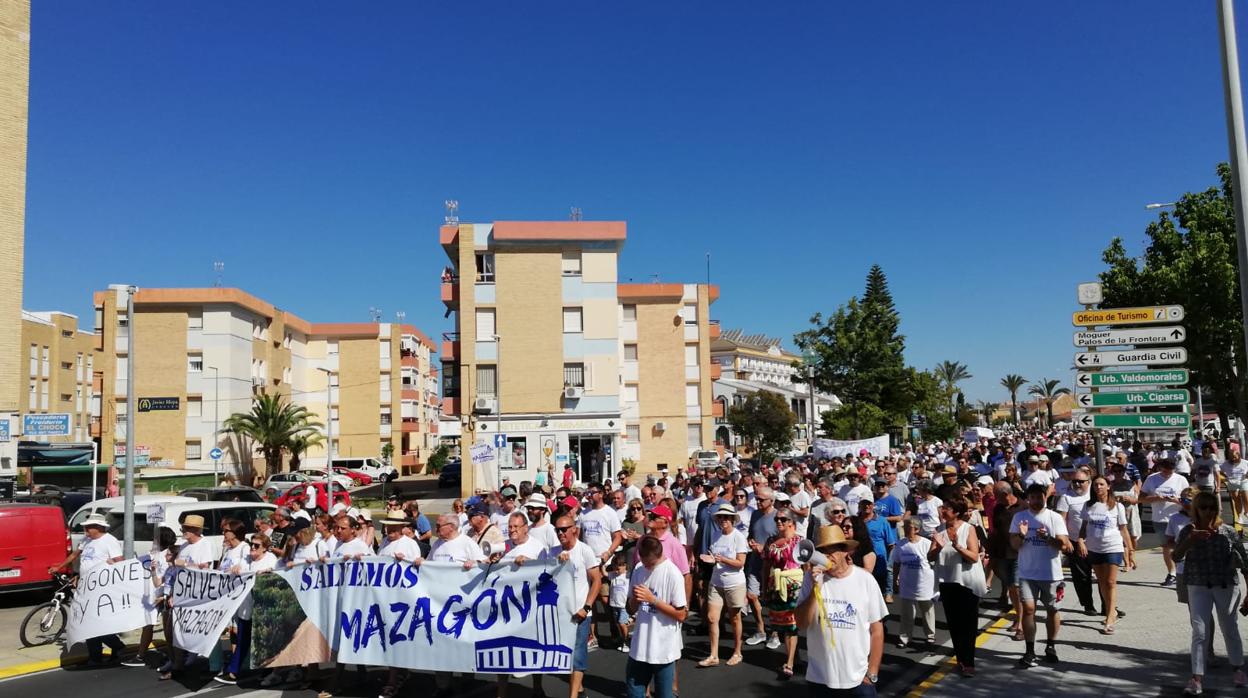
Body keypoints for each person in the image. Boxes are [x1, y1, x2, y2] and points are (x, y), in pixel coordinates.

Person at [795, 520, 886, 696]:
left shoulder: (864, 580)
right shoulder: (810, 579)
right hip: (820, 679)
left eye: (833, 549)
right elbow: (801, 624)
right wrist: (816, 589)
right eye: (822, 551)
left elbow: (877, 630)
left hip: (858, 679)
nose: (827, 555)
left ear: (846, 551)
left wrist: (872, 672)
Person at [1173, 491, 1248, 695]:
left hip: (1225, 585)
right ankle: (1196, 678)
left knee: (1229, 628)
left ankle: (1238, 669)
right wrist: (1191, 540)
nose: (1208, 511)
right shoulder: (1188, 530)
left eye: (1212, 507)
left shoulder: (1228, 531)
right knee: (1200, 631)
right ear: (1195, 509)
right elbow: (1176, 556)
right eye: (1203, 507)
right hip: (1197, 586)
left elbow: (1246, 562)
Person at [1010, 483, 1072, 668]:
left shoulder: (1054, 518)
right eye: (1033, 497)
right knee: (1029, 609)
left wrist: (1047, 538)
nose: (1037, 500)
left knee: (1052, 610)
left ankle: (1050, 646)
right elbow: (1014, 545)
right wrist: (1021, 535)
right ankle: (1030, 650)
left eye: (1040, 497)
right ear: (1028, 498)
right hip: (1027, 573)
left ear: (1046, 497)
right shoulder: (1020, 517)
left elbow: (1064, 544)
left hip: (1051, 573)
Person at [50, 513, 125, 666]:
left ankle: (109, 651)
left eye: (88, 526)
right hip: (86, 587)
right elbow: (76, 555)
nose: (85, 529)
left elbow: (121, 564)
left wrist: (112, 566)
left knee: (92, 623)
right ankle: (99, 655)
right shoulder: (87, 540)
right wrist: (65, 569)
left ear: (98, 527)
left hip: (101, 589)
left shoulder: (110, 541)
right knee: (88, 622)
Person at [625, 535, 688, 698]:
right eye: (642, 561)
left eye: (648, 563)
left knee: (664, 695)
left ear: (657, 555)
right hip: (640, 646)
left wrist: (652, 599)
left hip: (663, 649)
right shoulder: (639, 568)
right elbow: (630, 609)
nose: (645, 566)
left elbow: (681, 615)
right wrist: (635, 600)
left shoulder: (673, 574)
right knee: (633, 691)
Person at [929, 497, 982, 677]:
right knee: (954, 623)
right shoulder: (939, 530)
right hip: (947, 582)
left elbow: (974, 557)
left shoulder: (969, 529)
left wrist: (957, 545)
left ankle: (969, 662)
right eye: (942, 508)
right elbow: (930, 557)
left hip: (966, 583)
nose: (942, 511)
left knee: (968, 624)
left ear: (957, 512)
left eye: (947, 508)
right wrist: (937, 547)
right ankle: (960, 659)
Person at [215, 534, 277, 685]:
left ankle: (268, 671)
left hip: (263, 607)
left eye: (257, 546)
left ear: (265, 548)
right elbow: (233, 569)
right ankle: (233, 671)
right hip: (246, 607)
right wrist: (235, 568)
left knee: (264, 641)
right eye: (252, 545)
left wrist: (268, 572)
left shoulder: (271, 559)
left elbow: (276, 576)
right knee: (243, 639)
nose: (253, 548)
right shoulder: (246, 559)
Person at [1077, 474, 1130, 634]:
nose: (1098, 487)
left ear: (1108, 486)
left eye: (1101, 484)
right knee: (1101, 582)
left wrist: (1130, 551)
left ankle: (1110, 618)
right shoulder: (1088, 505)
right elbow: (1084, 526)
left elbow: (1123, 529)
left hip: (1113, 547)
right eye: (1095, 485)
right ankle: (1111, 610)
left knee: (1111, 582)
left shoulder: (1116, 506)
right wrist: (1080, 540)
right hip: (1094, 548)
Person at [698, 502, 748, 668]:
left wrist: (722, 559)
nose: (723, 520)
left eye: (726, 517)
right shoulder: (716, 535)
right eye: (720, 517)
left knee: (735, 618)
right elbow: (715, 556)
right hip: (716, 581)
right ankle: (713, 655)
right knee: (712, 618)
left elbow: (740, 563)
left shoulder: (738, 537)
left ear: (732, 519)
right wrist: (712, 560)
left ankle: (737, 651)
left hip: (734, 583)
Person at [761, 507, 804, 679]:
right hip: (776, 587)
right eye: (777, 519)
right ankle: (796, 657)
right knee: (782, 626)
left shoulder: (800, 541)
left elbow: (807, 566)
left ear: (791, 522)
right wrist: (764, 589)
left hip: (794, 588)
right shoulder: (771, 541)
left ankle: (790, 662)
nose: (779, 522)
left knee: (790, 626)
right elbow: (765, 567)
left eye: (783, 519)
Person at [1142, 458, 1189, 587]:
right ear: (1160, 467)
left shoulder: (1181, 479)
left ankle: (1184, 572)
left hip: (1179, 518)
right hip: (1160, 519)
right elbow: (1141, 498)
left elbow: (1189, 499)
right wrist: (1156, 498)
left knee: (1182, 545)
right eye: (1166, 470)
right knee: (1167, 546)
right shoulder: (1152, 479)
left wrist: (1177, 500)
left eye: (1171, 470)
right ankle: (1172, 573)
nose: (1168, 473)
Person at [891, 517, 937, 648]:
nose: (905, 530)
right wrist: (895, 579)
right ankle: (905, 638)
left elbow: (934, 562)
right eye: (904, 527)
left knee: (927, 610)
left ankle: (930, 636)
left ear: (917, 529)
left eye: (908, 527)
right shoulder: (900, 544)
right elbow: (896, 563)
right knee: (906, 613)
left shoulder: (926, 544)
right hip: (907, 583)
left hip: (924, 583)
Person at [1056, 466, 1095, 616]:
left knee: (1104, 578)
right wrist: (1064, 541)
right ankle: (1088, 604)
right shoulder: (1066, 497)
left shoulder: (1095, 493)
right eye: (1074, 482)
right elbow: (1061, 520)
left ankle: (1108, 607)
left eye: (1080, 481)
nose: (1077, 484)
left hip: (1098, 542)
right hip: (1075, 541)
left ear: (1088, 481)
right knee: (1082, 577)